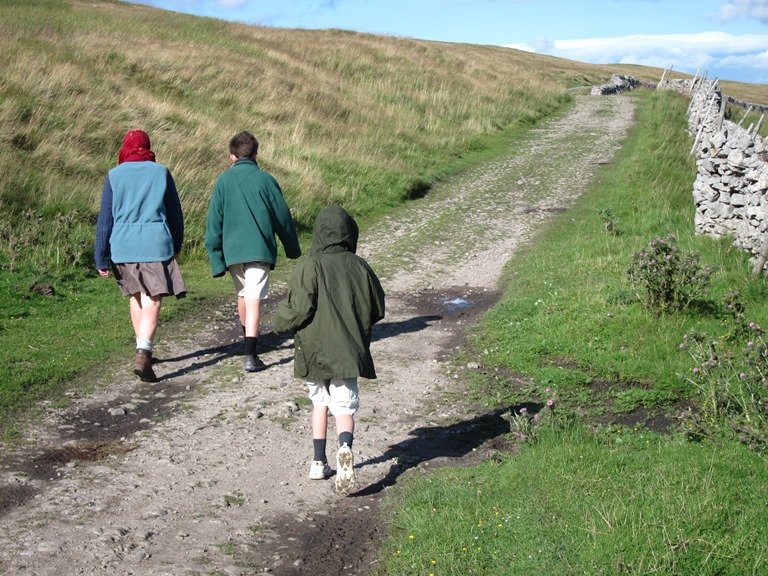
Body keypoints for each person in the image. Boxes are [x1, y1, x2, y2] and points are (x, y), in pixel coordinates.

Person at [272, 205, 385, 494]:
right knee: (345, 406)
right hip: (347, 350)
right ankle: (345, 447)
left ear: (319, 233)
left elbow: (299, 308)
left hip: (314, 349)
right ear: (349, 232)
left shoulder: (310, 265)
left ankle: (318, 461)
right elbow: (378, 306)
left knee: (319, 402)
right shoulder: (360, 266)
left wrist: (277, 321)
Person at [205, 131, 302, 372]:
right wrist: (292, 247)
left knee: (243, 295)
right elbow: (282, 217)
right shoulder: (265, 180)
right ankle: (251, 353)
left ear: (231, 156)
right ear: (256, 154)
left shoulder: (223, 181)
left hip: (232, 252)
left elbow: (213, 222)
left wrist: (216, 258)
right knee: (254, 297)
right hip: (259, 249)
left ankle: (248, 333)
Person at [95, 129, 186, 383]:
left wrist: (101, 256)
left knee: (136, 297)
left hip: (122, 247)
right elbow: (175, 215)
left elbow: (105, 220)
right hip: (155, 245)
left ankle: (142, 349)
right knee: (153, 299)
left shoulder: (114, 175)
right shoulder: (161, 173)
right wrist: (176, 245)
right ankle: (144, 352)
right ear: (148, 147)